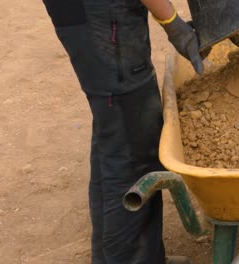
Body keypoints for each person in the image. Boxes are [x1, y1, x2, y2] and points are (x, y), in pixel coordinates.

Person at [41, 0, 203, 263]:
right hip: (104, 22)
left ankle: (112, 258)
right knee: (133, 148)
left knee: (115, 132)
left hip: (85, 16)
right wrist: (172, 23)